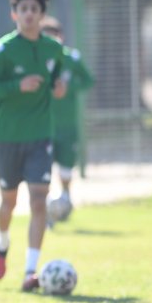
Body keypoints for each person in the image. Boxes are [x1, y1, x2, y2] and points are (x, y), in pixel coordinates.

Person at [0, 0, 67, 291]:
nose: (29, 14)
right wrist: (18, 85)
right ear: (15, 13)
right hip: (8, 137)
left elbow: (57, 81)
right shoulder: (2, 50)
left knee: (39, 200)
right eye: (23, 9)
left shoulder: (54, 50)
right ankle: (2, 245)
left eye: (35, 10)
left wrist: (58, 88)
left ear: (42, 16)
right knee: (8, 203)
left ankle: (31, 271)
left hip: (40, 136)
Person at [41, 16, 94, 223]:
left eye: (54, 37)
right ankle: (44, 212)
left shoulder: (71, 59)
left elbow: (88, 80)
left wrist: (68, 88)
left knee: (65, 169)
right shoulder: (37, 61)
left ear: (61, 37)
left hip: (67, 125)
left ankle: (65, 202)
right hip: (43, 125)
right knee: (42, 170)